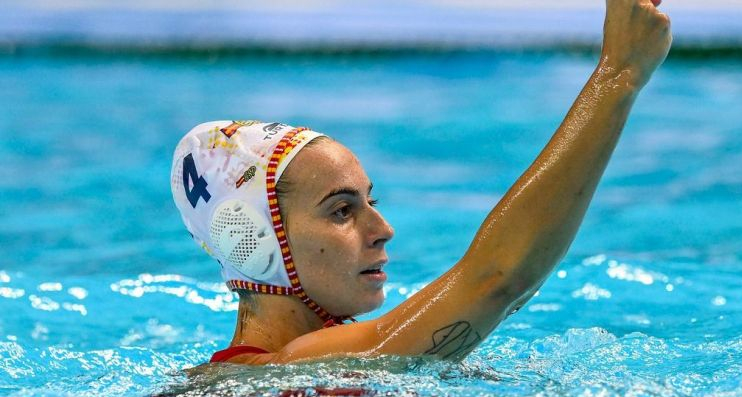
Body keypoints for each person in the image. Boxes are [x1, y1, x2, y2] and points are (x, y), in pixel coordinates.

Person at [170, 0, 672, 365]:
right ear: (253, 240)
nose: (383, 228)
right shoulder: (278, 374)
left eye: (371, 202)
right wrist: (618, 75)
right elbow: (497, 279)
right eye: (342, 210)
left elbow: (507, 289)